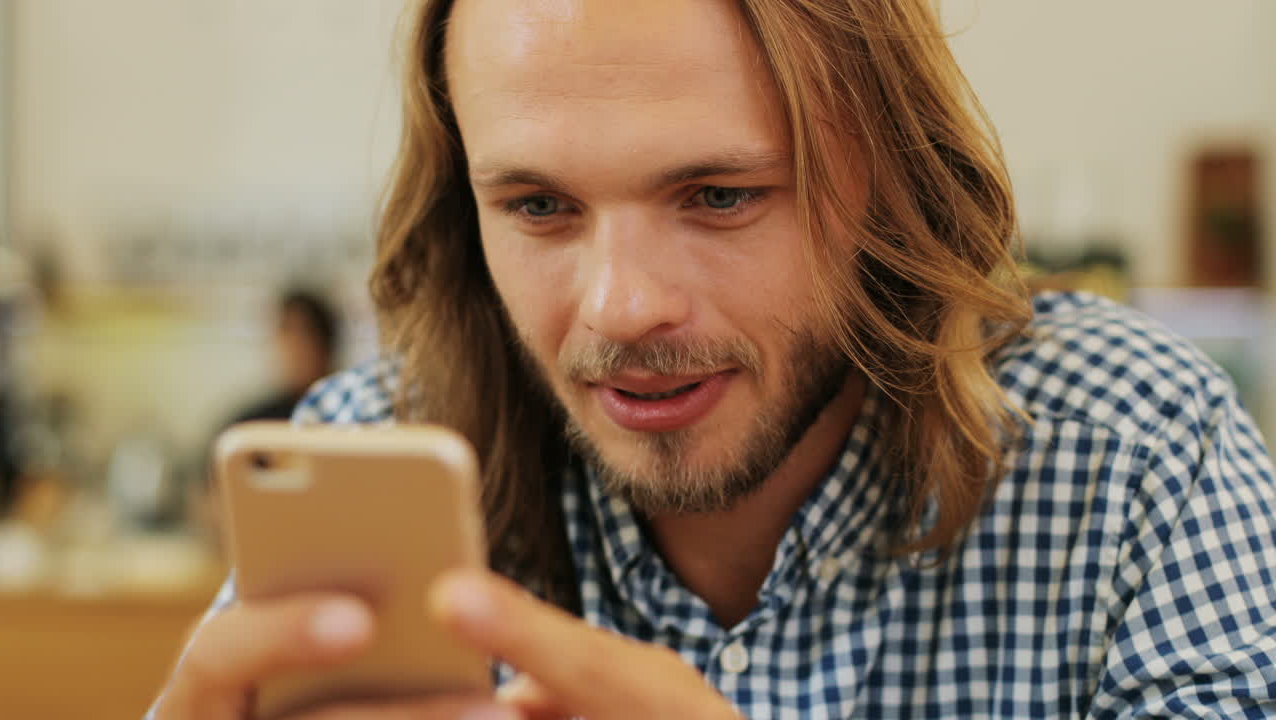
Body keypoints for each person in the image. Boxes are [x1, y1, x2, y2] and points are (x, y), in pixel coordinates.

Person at [149, 1, 1276, 718]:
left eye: (719, 195)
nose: (622, 305)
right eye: (538, 206)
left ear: (885, 175)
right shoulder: (368, 457)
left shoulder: (1132, 456)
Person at [228, 289, 341, 425]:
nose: (295, 348)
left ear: (326, 344)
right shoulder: (252, 424)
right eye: (286, 333)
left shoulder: (348, 415)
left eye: (305, 336)